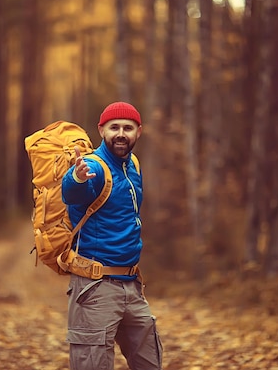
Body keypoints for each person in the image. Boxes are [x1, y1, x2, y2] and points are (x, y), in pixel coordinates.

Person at [61, 102, 163, 370]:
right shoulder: (94, 166)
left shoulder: (132, 166)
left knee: (150, 363)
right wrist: (78, 178)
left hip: (131, 284)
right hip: (95, 288)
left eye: (127, 128)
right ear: (101, 130)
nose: (121, 133)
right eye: (113, 127)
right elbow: (72, 192)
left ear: (138, 132)